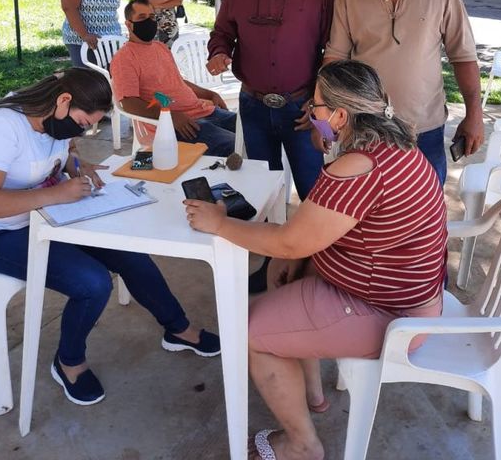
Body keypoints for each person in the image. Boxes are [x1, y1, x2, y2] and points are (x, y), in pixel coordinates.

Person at [185, 60, 447, 460]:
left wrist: (218, 223)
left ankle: (301, 447)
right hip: (405, 296)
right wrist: (305, 257)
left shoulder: (359, 167)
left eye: (317, 107)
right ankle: (311, 393)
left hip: (392, 315)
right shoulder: (397, 145)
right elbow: (329, 228)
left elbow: (290, 241)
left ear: (341, 115)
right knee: (284, 275)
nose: (310, 114)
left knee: (248, 330)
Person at [0, 69, 220, 407]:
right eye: (83, 123)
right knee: (93, 283)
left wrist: (76, 166)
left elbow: (57, 155)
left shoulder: (55, 118)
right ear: (64, 100)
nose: (83, 130)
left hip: (49, 218)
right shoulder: (3, 126)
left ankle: (178, 329)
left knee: (130, 253)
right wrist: (56, 195)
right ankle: (68, 362)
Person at [325, 0, 483, 185]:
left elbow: (464, 56)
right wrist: (324, 117)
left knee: (426, 211)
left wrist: (474, 114)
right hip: (365, 126)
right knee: (368, 212)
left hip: (424, 127)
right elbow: (335, 59)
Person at [207, 0, 334, 202]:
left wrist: (320, 102)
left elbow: (333, 46)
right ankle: (269, 244)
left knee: (314, 189)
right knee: (262, 189)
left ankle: (315, 249)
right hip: (253, 106)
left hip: (303, 107)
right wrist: (218, 52)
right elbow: (223, 32)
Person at [111, 0, 237, 157]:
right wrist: (169, 115)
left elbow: (178, 82)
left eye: (151, 17)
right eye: (142, 18)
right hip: (175, 125)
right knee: (236, 145)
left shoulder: (160, 47)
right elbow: (128, 103)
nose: (149, 22)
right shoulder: (125, 58)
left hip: (203, 112)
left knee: (253, 129)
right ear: (129, 24)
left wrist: (209, 94)